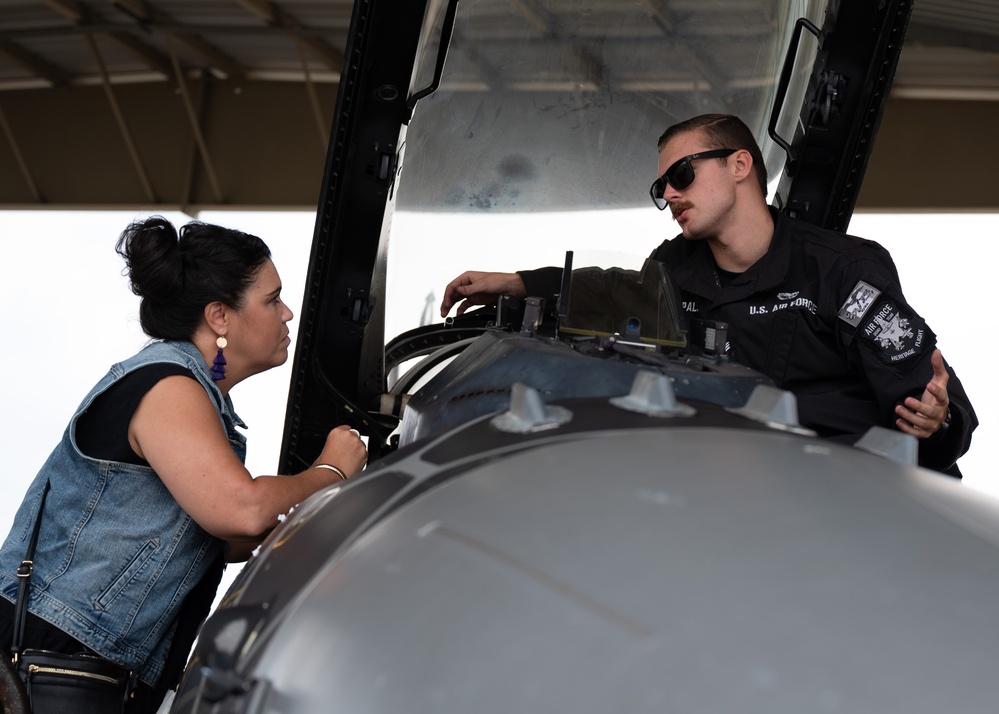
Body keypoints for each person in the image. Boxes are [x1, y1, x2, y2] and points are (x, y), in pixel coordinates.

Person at [439, 113, 976, 477]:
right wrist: (521, 283)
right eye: (662, 188)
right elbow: (612, 292)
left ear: (740, 165)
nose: (670, 193)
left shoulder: (843, 272)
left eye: (682, 174)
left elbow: (937, 408)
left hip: (851, 488)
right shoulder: (674, 270)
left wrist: (938, 421)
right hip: (739, 492)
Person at [0, 216, 367, 712]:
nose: (287, 313)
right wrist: (331, 471)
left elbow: (220, 535)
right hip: (55, 665)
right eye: (271, 299)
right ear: (219, 317)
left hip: (92, 671)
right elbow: (240, 510)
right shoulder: (168, 386)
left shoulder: (191, 395)